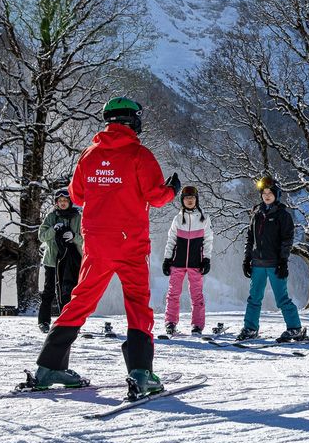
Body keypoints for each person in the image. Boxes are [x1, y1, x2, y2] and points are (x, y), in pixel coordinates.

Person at [32, 97, 179, 394]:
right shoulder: (139, 154)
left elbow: (78, 195)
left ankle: (49, 366)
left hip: (97, 241)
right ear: (132, 121)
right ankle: (141, 371)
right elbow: (155, 197)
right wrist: (172, 190)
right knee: (137, 303)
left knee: (81, 299)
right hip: (130, 242)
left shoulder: (89, 154)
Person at [238, 175, 306, 342]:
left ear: (276, 194)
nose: (267, 195)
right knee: (254, 298)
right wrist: (247, 259)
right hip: (258, 264)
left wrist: (283, 261)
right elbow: (250, 238)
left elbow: (287, 240)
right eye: (264, 192)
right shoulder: (256, 213)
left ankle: (295, 328)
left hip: (275, 264)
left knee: (281, 298)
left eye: (270, 192)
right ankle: (250, 328)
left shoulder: (283, 215)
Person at [162, 185, 214, 336]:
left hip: (195, 263)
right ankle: (170, 322)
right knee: (173, 293)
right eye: (186, 198)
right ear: (182, 200)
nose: (189, 201)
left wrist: (206, 259)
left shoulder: (204, 218)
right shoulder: (178, 219)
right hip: (177, 262)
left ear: (196, 200)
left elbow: (208, 240)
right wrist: (167, 259)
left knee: (196, 294)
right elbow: (171, 240)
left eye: (192, 198)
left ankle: (197, 324)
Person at [36, 190, 83, 333]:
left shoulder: (78, 217)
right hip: (52, 261)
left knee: (68, 291)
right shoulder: (51, 217)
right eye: (60, 201)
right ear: (56, 203)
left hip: (71, 261)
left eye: (65, 200)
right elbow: (42, 236)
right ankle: (43, 321)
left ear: (70, 202)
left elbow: (85, 238)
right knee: (49, 291)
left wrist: (74, 236)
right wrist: (53, 230)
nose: (63, 203)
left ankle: (68, 321)